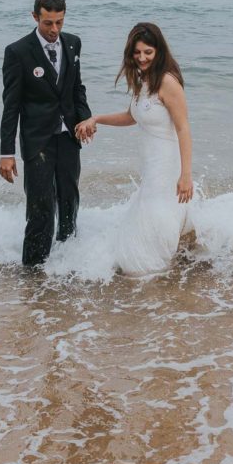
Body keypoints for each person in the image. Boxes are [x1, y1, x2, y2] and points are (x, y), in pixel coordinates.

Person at [75, 22, 193, 275]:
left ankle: (157, 273)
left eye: (148, 52)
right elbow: (131, 116)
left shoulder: (167, 82)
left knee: (157, 216)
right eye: (137, 52)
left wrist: (185, 175)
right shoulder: (144, 80)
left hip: (167, 166)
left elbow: (184, 129)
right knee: (151, 216)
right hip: (151, 165)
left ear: (159, 51)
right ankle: (168, 270)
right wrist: (96, 119)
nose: (142, 58)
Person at [0, 0, 93, 267]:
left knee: (69, 200)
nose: (54, 30)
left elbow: (77, 88)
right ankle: (32, 275)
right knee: (40, 208)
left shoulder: (73, 44)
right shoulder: (18, 51)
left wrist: (85, 119)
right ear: (35, 17)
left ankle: (66, 267)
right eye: (48, 23)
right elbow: (11, 106)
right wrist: (7, 152)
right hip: (37, 141)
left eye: (59, 23)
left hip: (69, 137)